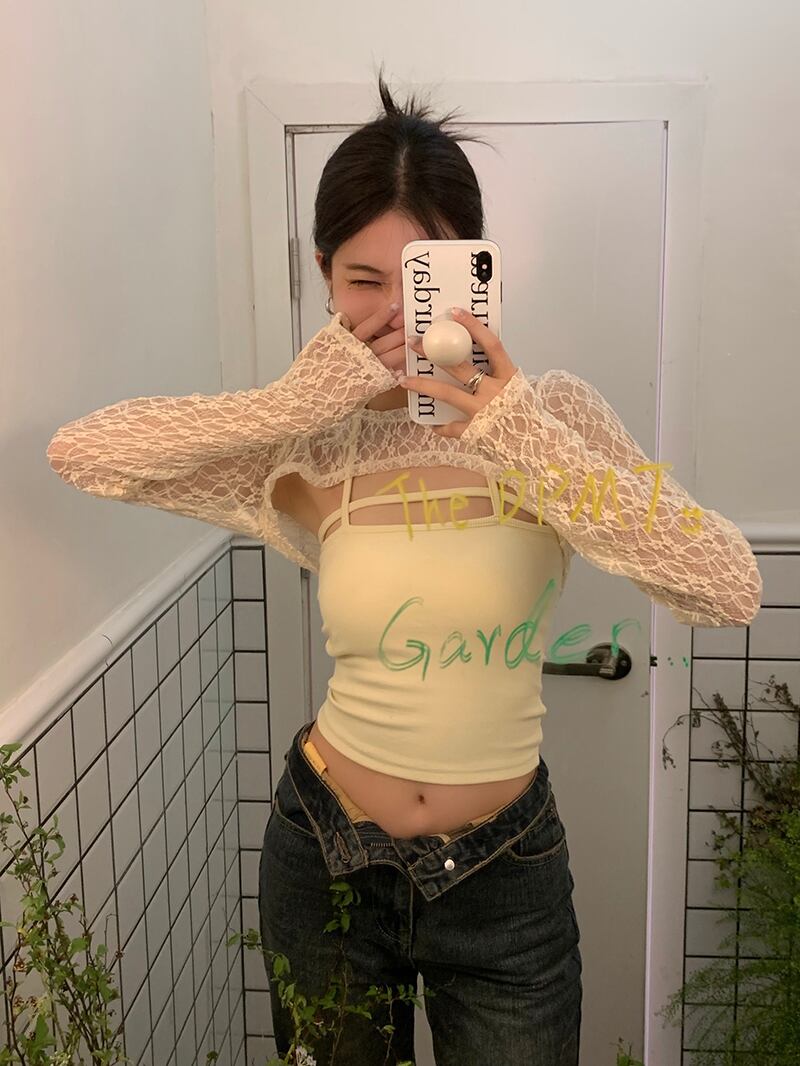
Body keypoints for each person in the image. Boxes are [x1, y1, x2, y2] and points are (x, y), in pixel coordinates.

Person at [46, 65, 762, 1066]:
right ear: (322, 275)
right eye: (362, 281)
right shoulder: (316, 443)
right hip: (323, 858)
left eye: (419, 278)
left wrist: (518, 432)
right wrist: (293, 402)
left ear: (476, 271)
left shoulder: (551, 417)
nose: (392, 316)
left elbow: (726, 585)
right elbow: (86, 453)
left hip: (506, 877)